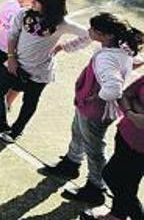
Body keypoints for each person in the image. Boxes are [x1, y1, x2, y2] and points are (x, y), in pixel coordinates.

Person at [39, 13, 142, 206]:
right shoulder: (121, 47)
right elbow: (131, 61)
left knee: (94, 148)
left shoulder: (107, 58)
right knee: (78, 133)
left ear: (106, 35)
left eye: (93, 30)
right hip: (89, 107)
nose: (89, 32)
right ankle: (71, 163)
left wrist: (95, 97)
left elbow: (113, 88)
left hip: (96, 110)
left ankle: (95, 187)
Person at [0, 0, 91, 142]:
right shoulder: (23, 15)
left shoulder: (62, 24)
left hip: (40, 71)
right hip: (16, 63)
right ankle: (0, 121)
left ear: (49, 6)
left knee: (29, 102)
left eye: (36, 2)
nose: (32, 3)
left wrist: (64, 47)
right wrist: (11, 58)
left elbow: (88, 35)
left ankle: (16, 131)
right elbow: (13, 36)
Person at [80, 71, 144, 220]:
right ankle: (119, 214)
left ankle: (138, 218)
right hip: (126, 133)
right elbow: (126, 94)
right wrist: (133, 112)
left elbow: (131, 97)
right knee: (127, 181)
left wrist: (134, 105)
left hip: (141, 147)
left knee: (112, 176)